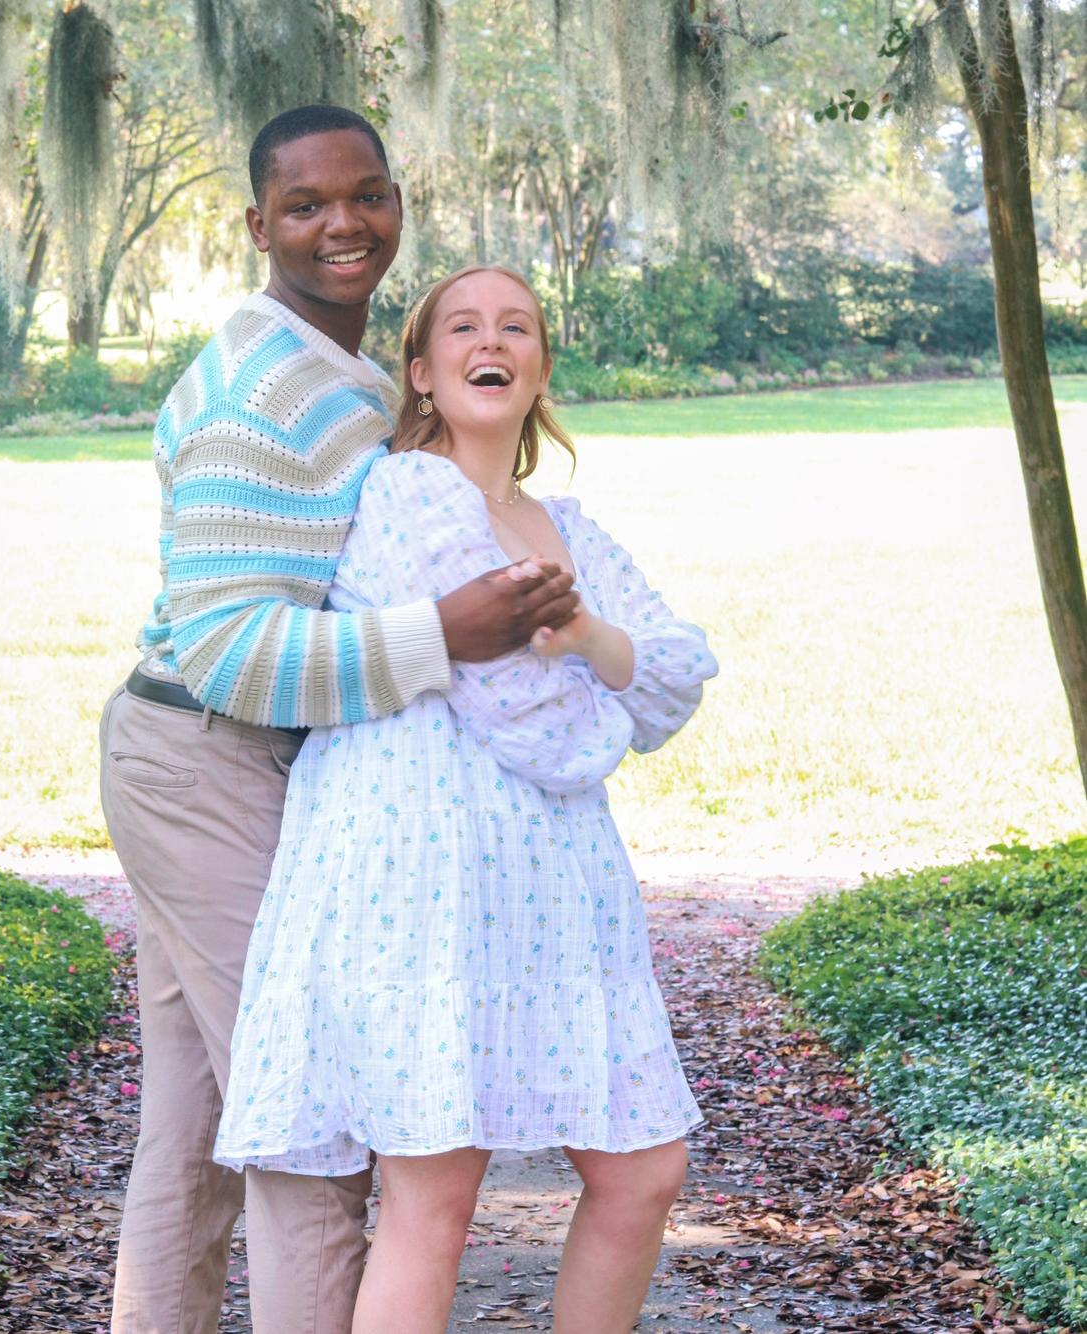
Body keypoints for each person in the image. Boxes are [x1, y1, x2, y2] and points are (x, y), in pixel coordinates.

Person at [99, 112, 581, 1334]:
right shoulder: (257, 393)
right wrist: (442, 634)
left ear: (397, 204)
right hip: (207, 758)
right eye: (306, 205)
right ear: (257, 226)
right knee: (311, 1132)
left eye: (366, 195)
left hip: (236, 757)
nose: (342, 224)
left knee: (197, 1128)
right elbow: (225, 649)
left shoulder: (346, 374)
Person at [214, 265, 718, 1333]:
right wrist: (603, 693)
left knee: (643, 1168)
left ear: (539, 368)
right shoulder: (407, 493)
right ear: (421, 371)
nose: (491, 341)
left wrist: (585, 637)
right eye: (463, 327)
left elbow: (677, 672)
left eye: (516, 326)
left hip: (559, 891)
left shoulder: (567, 526)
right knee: (434, 1197)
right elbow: (523, 707)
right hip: (425, 882)